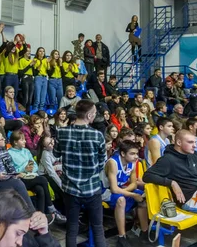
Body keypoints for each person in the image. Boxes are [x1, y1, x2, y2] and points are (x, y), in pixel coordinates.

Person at [53, 99, 106, 247]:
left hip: (70, 188)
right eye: (94, 113)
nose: (95, 116)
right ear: (89, 116)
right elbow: (102, 161)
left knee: (72, 228)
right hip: (92, 188)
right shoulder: (97, 135)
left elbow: (56, 154)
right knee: (97, 228)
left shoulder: (62, 132)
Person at [8, 131, 66, 223]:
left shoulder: (26, 151)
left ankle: (40, 217)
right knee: (43, 179)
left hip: (31, 176)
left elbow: (35, 165)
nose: (25, 142)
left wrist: (31, 169)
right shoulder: (9, 153)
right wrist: (24, 169)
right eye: (22, 140)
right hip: (20, 178)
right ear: (15, 142)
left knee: (40, 189)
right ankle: (52, 209)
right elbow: (12, 170)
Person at [101, 141, 148, 246]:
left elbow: (134, 184)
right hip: (104, 191)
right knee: (121, 200)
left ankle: (145, 232)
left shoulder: (133, 163)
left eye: (136, 153)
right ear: (122, 154)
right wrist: (132, 195)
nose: (136, 156)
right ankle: (122, 237)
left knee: (143, 197)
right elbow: (113, 189)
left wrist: (127, 192)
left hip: (120, 189)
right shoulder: (113, 163)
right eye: (132, 153)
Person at [19, 45, 35, 114]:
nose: (29, 52)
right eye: (27, 51)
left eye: (29, 51)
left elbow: (34, 72)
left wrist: (34, 66)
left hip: (31, 78)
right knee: (26, 97)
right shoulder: (21, 60)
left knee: (30, 98)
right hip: (25, 78)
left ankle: (28, 113)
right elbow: (20, 73)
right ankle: (23, 113)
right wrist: (30, 65)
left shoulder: (31, 60)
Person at [33, 47, 49, 111]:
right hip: (38, 78)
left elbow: (48, 70)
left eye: (43, 51)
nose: (42, 52)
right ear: (37, 52)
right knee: (37, 97)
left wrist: (48, 63)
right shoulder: (35, 60)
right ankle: (35, 112)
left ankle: (41, 112)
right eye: (40, 51)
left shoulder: (46, 60)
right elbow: (34, 72)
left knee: (43, 98)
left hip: (45, 78)